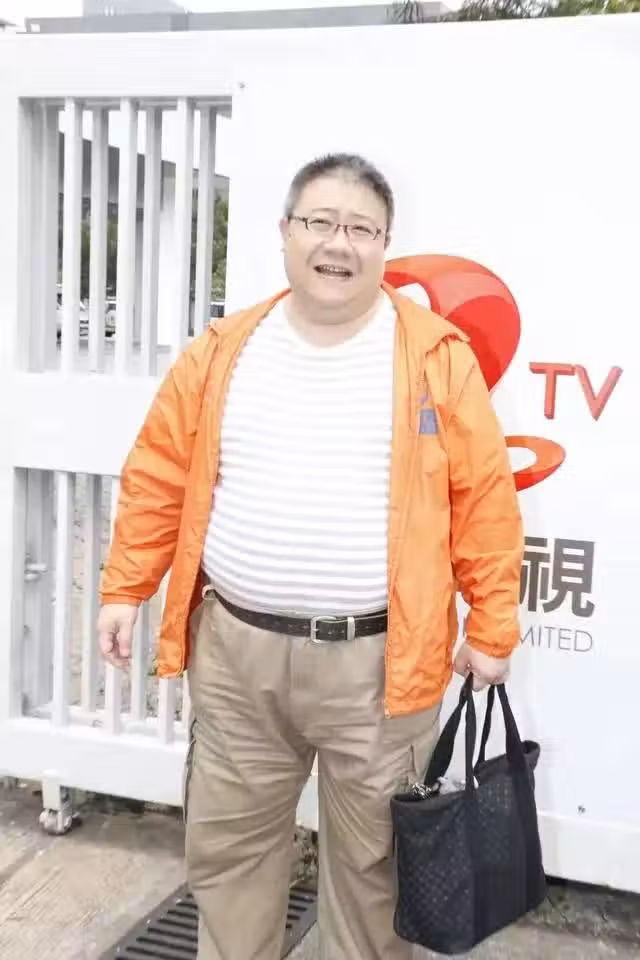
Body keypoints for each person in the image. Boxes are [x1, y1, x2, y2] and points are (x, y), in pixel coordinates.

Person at [98, 153, 523, 960]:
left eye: (362, 228)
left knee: (373, 876)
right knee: (230, 858)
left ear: (385, 244)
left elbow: (484, 501)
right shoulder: (223, 349)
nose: (339, 243)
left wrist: (493, 626)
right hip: (236, 656)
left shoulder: (436, 356)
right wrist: (125, 588)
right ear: (286, 232)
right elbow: (159, 472)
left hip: (381, 665)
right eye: (321, 222)